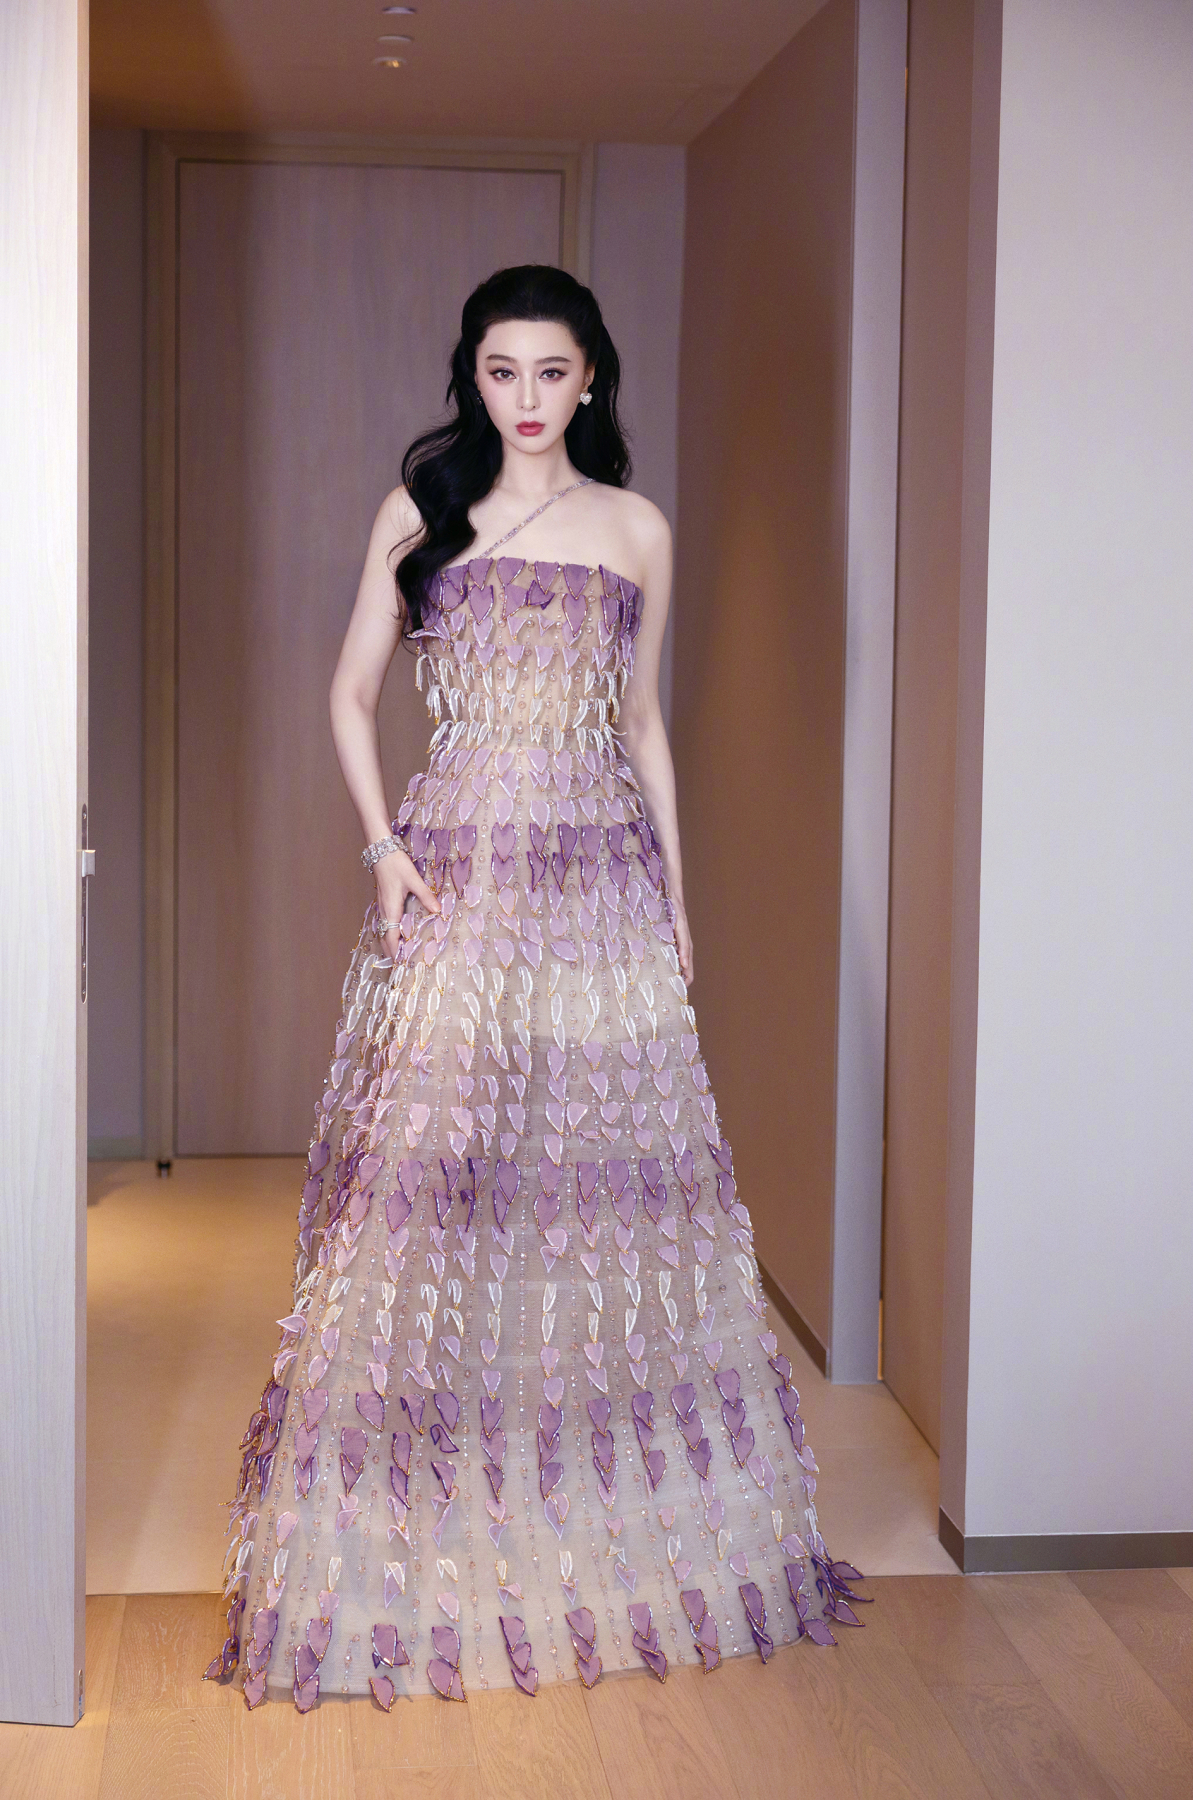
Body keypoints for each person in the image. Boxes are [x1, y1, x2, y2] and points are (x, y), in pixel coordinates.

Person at [204, 264, 865, 1712]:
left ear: (590, 378)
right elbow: (347, 695)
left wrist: (679, 895)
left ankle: (588, 1518)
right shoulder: (421, 509)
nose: (524, 398)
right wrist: (383, 850)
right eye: (500, 371)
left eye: (550, 372)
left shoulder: (637, 526)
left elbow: (644, 726)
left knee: (598, 1178)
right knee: (435, 1171)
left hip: (598, 878)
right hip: (454, 868)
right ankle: (415, 1522)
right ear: (473, 375)